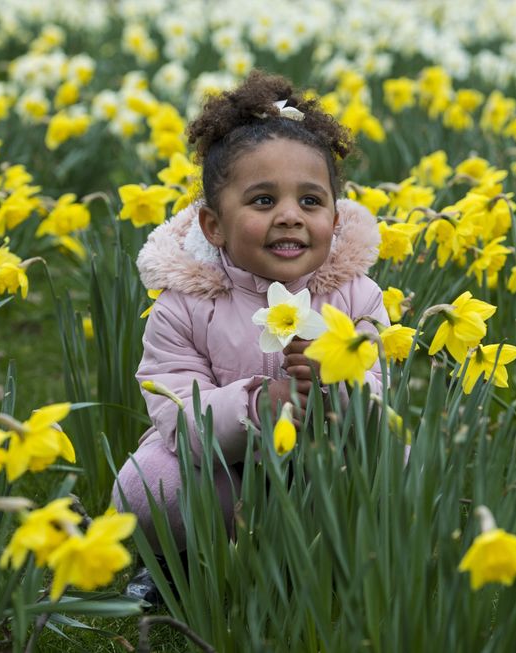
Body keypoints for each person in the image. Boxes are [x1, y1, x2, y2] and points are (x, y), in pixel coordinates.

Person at [113, 70, 389, 603]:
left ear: (335, 214)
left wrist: (334, 390)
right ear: (214, 226)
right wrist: (263, 404)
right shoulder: (183, 304)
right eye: (263, 202)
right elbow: (175, 415)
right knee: (148, 485)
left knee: (400, 466)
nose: (290, 216)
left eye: (311, 202)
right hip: (221, 476)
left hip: (322, 469)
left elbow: (376, 399)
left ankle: (330, 562)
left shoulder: (357, 297)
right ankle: (180, 565)